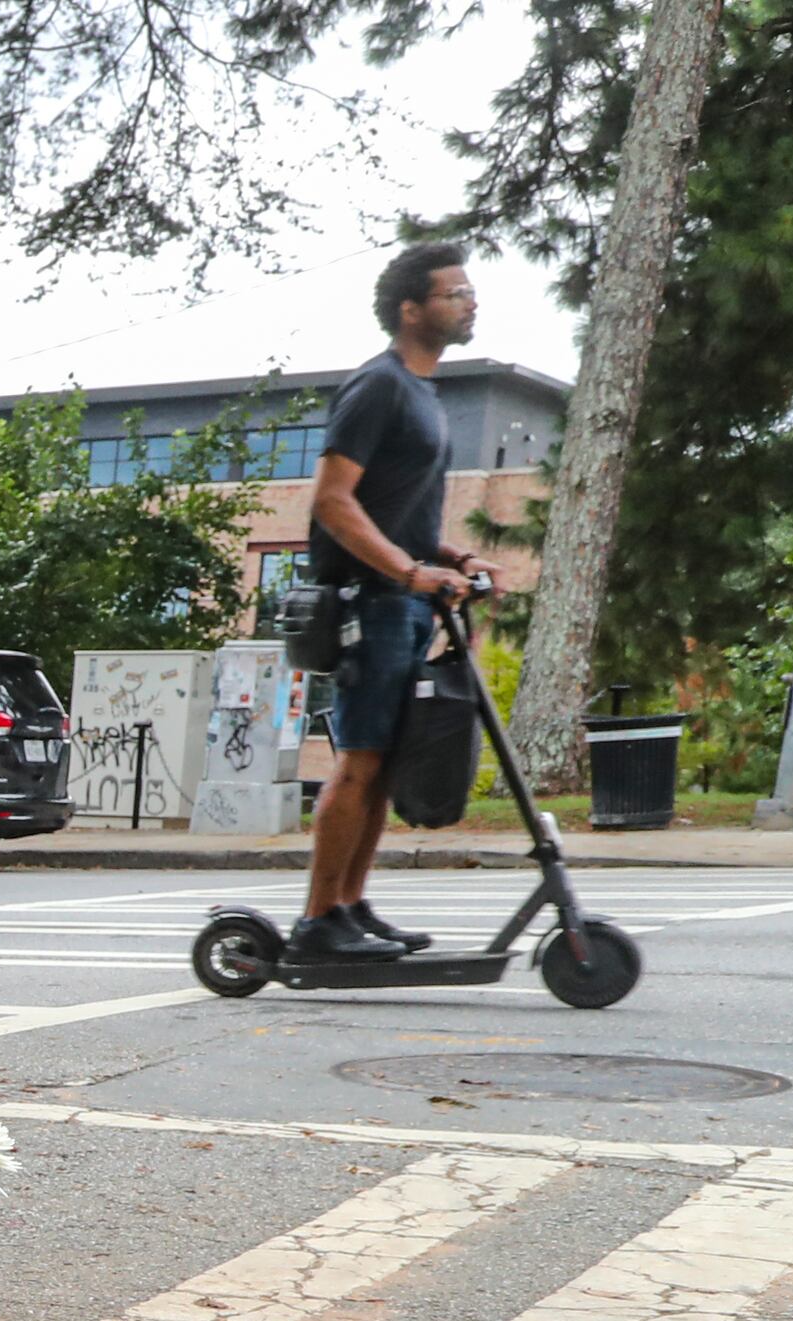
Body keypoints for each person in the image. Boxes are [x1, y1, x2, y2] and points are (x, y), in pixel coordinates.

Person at [294, 240, 482, 963]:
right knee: (360, 763)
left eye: (469, 292)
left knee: (383, 764)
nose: (470, 302)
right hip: (371, 602)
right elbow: (335, 504)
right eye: (454, 293)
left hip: (402, 598)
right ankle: (317, 922)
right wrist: (408, 573)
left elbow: (393, 512)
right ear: (412, 310)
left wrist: (450, 557)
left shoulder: (422, 393)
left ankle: (349, 906)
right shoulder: (378, 387)